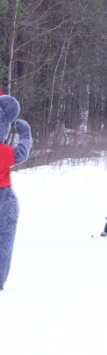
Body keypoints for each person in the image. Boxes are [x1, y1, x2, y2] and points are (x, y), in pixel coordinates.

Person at [0, 95, 32, 291]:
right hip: (5, 201)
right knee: (4, 244)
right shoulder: (3, 151)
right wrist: (26, 134)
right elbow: (21, 153)